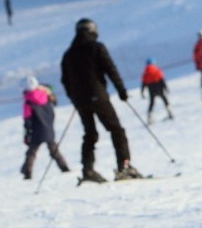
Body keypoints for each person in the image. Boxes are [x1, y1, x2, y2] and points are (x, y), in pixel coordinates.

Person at [60, 18, 142, 182]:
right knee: (116, 130)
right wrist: (122, 91)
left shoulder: (68, 54)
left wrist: (74, 98)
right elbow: (110, 69)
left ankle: (88, 170)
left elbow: (65, 80)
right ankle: (124, 166)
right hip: (98, 96)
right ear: (92, 31)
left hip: (80, 101)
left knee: (90, 134)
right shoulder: (96, 48)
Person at [20, 76, 70, 180]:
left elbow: (27, 120)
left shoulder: (28, 102)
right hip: (48, 127)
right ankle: (64, 167)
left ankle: (27, 172)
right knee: (53, 149)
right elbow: (52, 95)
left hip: (37, 130)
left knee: (32, 152)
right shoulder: (45, 95)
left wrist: (27, 134)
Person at [140, 58, 173, 124]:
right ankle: (170, 113)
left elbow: (143, 84)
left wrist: (142, 92)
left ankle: (150, 117)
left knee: (152, 103)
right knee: (165, 100)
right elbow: (162, 80)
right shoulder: (157, 70)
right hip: (159, 88)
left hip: (151, 90)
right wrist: (165, 88)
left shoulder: (145, 73)